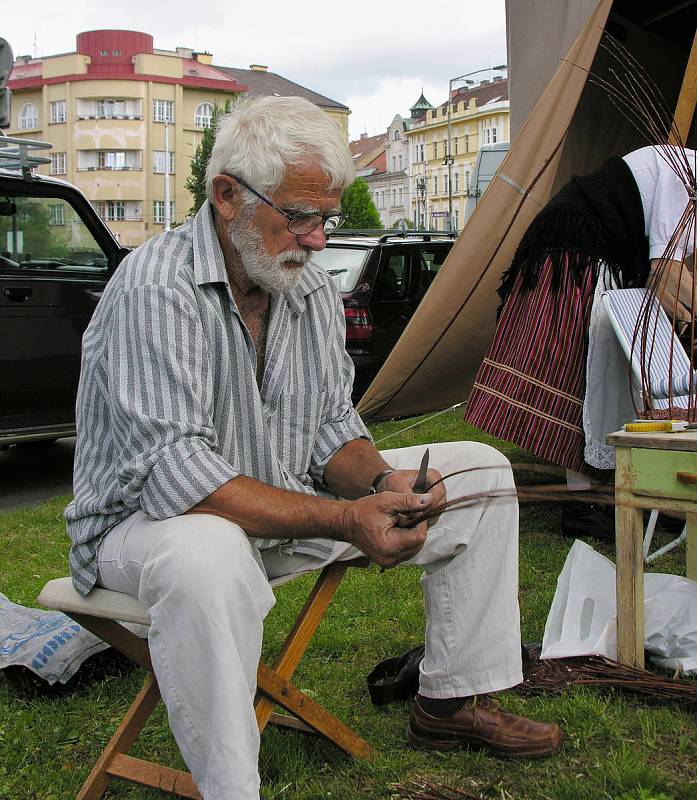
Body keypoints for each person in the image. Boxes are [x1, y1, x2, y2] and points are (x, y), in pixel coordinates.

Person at [65, 95, 562, 800]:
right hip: (141, 529)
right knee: (207, 550)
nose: (318, 239)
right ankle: (231, 790)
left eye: (326, 218)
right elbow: (181, 480)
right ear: (227, 195)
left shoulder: (302, 288)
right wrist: (339, 518)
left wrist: (383, 482)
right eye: (298, 217)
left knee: (479, 468)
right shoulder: (156, 287)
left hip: (276, 509)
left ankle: (450, 702)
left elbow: (330, 428)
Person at [465, 145, 696, 536]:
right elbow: (667, 271)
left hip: (594, 249)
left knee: (612, 379)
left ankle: (626, 491)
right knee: (588, 375)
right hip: (576, 250)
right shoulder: (687, 174)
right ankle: (584, 503)